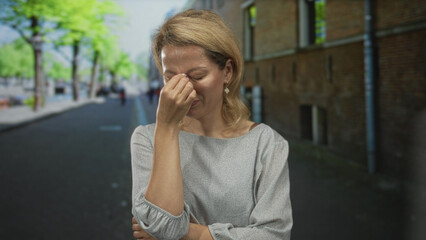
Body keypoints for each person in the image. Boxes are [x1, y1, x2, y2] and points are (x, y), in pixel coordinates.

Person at [131, 9, 292, 240]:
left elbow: (275, 235)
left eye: (197, 75)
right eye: (170, 77)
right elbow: (160, 225)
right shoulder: (146, 138)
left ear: (227, 71)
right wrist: (166, 127)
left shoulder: (265, 143)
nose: (183, 88)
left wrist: (191, 233)